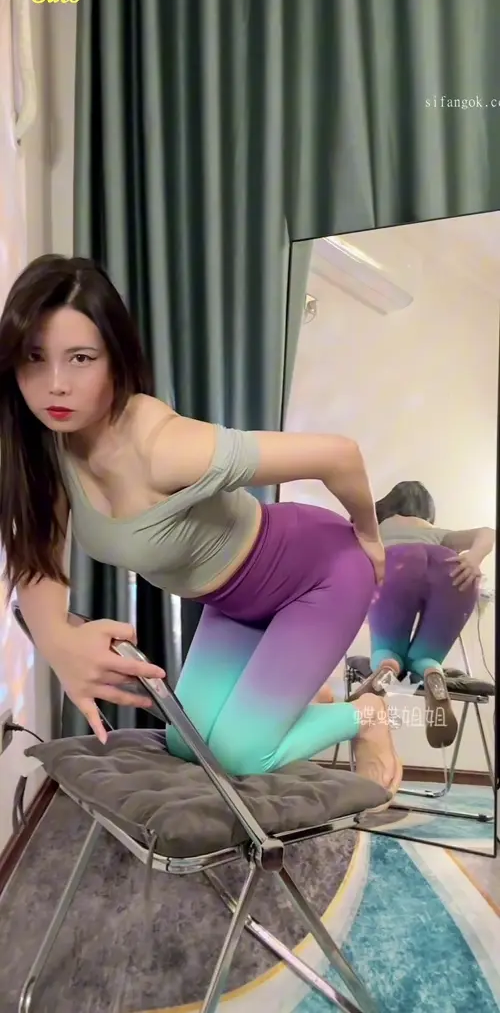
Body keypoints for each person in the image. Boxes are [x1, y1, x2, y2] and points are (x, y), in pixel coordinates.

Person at [0, 254, 402, 804]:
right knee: (186, 744)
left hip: (319, 575)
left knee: (239, 754)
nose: (55, 385)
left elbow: (340, 456)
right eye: (34, 358)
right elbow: (39, 561)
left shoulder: (163, 446)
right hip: (233, 601)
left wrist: (370, 537)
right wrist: (61, 646)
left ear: (116, 359)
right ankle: (300, 699)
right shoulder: (50, 447)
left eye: (81, 358)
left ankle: (368, 714)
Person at [353, 481, 495, 748]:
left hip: (397, 562)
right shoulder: (439, 534)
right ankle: (432, 672)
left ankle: (386, 669)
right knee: (427, 656)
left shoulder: (379, 528)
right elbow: (488, 532)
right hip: (452, 567)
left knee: (387, 650)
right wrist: (474, 558)